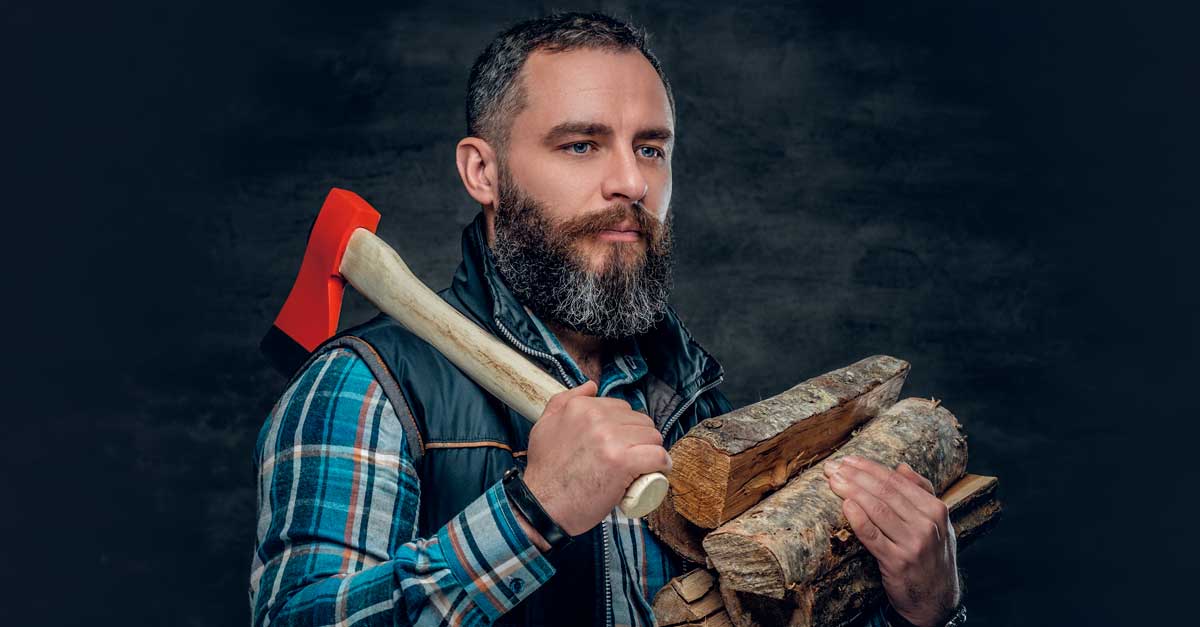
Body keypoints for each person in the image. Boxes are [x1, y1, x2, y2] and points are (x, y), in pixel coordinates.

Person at [249, 11, 964, 627]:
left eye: (650, 146)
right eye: (581, 144)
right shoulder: (367, 389)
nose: (632, 181)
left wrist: (923, 612)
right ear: (482, 172)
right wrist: (532, 510)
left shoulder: (688, 404)